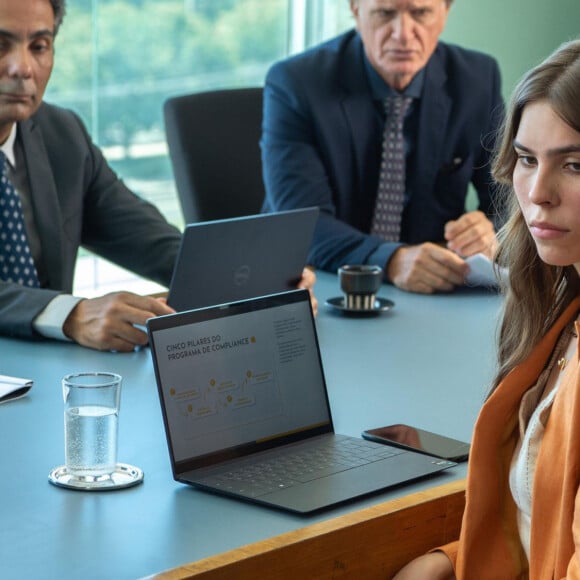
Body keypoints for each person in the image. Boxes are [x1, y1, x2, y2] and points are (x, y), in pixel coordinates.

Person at [0, 0, 316, 353]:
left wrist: (255, 281)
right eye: (1, 45)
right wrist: (69, 314)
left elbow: (145, 236)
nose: (23, 68)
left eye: (39, 47)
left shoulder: (62, 134)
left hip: (49, 383)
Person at [394, 38, 580, 578]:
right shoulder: (560, 318)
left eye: (574, 164)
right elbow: (540, 521)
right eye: (526, 159)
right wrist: (451, 562)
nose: (538, 192)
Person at [261, 0, 504, 294]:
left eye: (420, 13)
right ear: (355, 9)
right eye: (385, 13)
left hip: (434, 290)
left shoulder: (477, 79)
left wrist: (489, 232)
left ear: (445, 11)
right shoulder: (296, 83)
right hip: (323, 283)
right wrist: (390, 259)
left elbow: (510, 200)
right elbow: (301, 225)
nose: (403, 33)